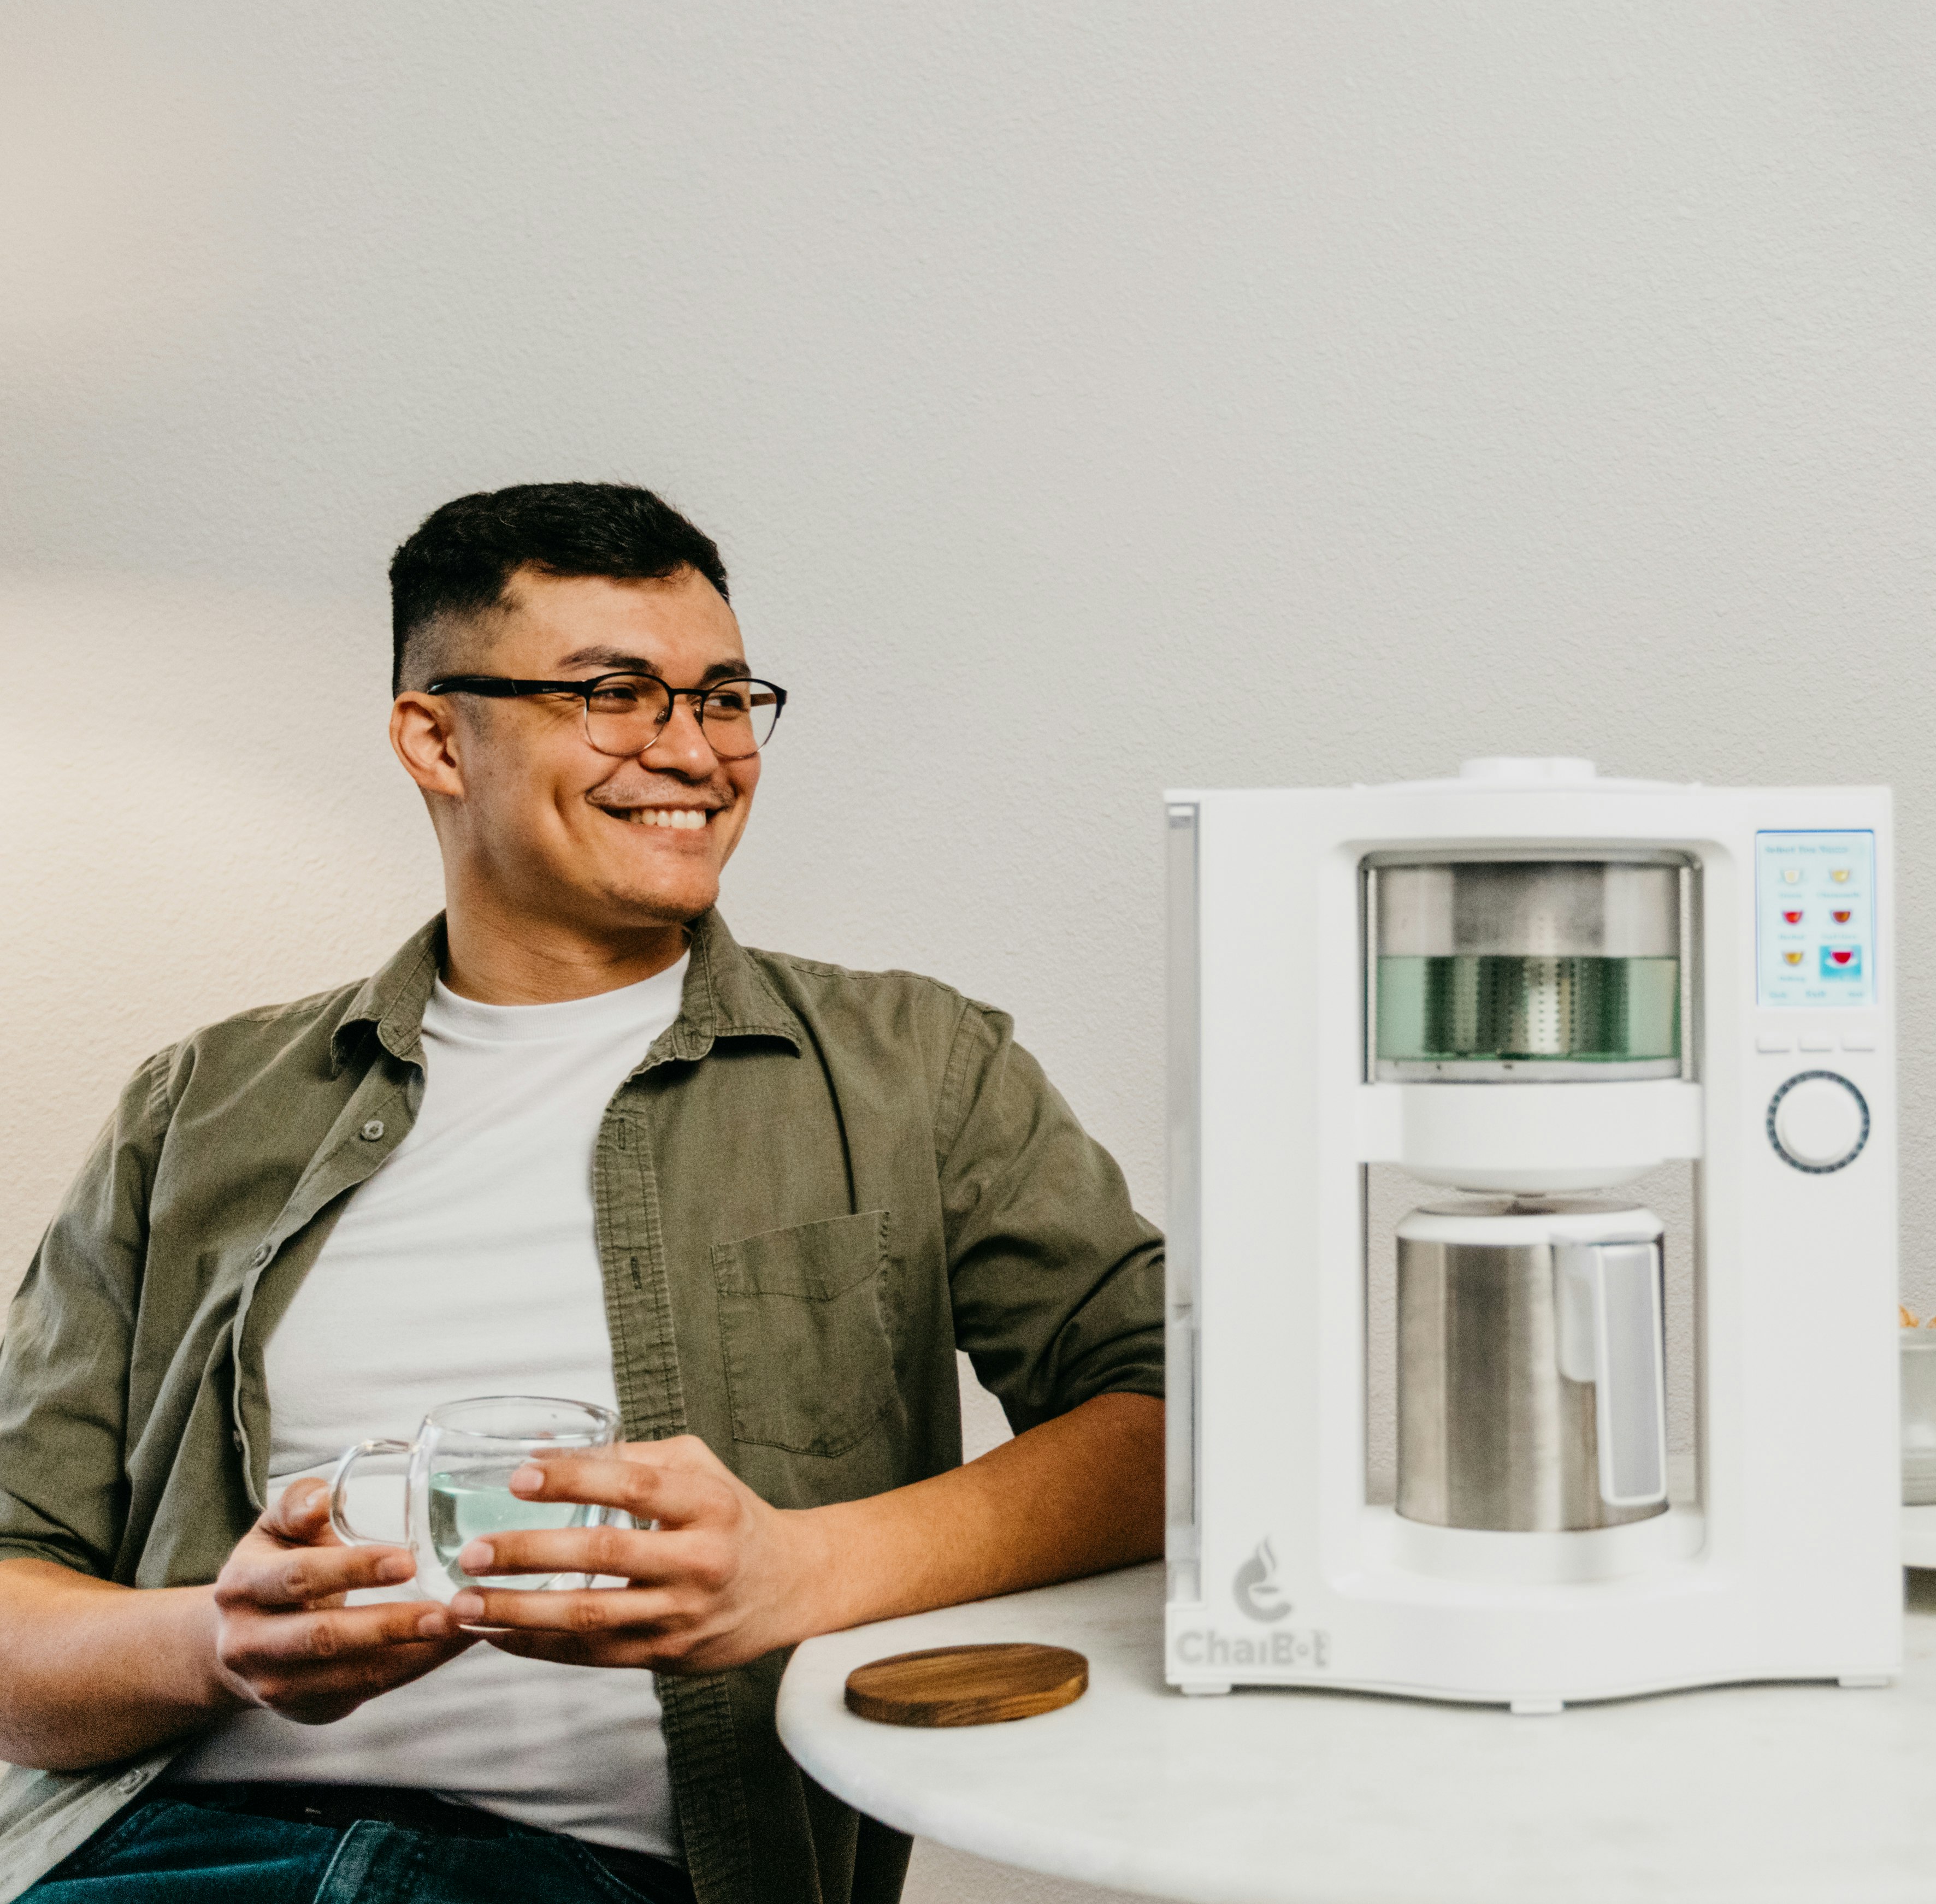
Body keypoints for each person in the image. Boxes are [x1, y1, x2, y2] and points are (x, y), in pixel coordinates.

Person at [0, 484, 1167, 1904]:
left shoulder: (914, 1068)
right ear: (436, 733)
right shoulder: (198, 1105)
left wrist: (797, 1569)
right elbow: (15, 1617)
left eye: (724, 694)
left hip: (612, 1876)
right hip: (169, 1856)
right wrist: (220, 1641)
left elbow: (1174, 1414)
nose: (693, 749)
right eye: (617, 692)